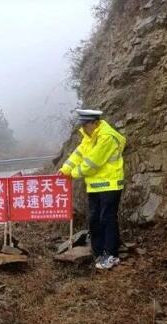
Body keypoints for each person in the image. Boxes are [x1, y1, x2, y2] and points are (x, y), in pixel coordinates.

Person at [59, 109, 126, 270]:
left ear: (94, 123)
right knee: (95, 218)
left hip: (110, 185)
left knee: (107, 218)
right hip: (95, 187)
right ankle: (98, 251)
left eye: (85, 124)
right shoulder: (89, 137)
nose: (83, 128)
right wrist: (64, 170)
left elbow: (92, 163)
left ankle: (111, 254)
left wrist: (72, 174)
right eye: (82, 124)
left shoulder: (106, 137)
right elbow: (78, 154)